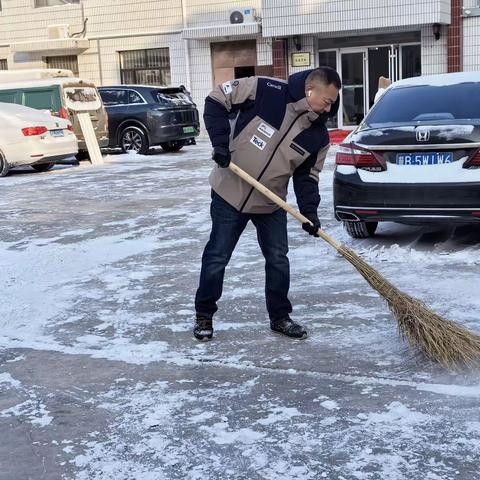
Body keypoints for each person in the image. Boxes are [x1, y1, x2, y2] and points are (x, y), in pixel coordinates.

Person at [194, 67, 341, 341]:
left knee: (278, 260)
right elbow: (216, 99)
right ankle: (204, 315)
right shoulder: (264, 90)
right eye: (328, 101)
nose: (329, 109)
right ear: (311, 91)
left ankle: (280, 317)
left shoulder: (317, 135)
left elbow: (307, 176)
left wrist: (309, 212)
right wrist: (220, 145)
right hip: (230, 192)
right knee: (217, 257)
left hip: (270, 202)